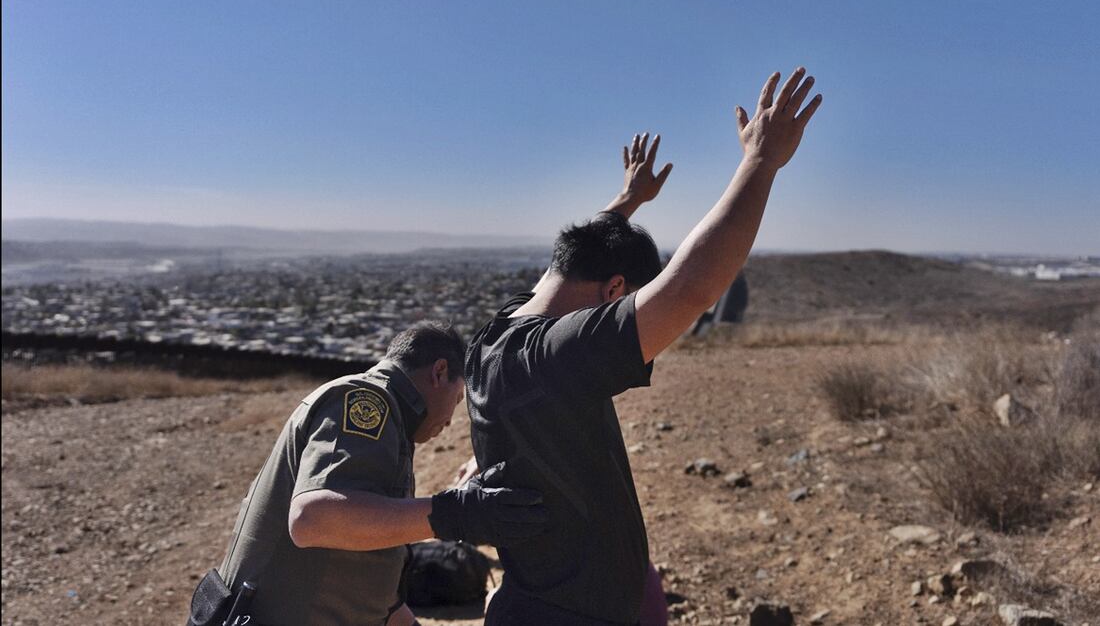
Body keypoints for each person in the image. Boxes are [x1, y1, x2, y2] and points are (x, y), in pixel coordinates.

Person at [465, 68, 822, 624]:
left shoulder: (500, 331)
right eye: (625, 301)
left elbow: (571, 261)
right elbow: (691, 287)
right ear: (613, 292)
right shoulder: (556, 357)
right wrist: (760, 162)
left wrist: (625, 202)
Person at [205, 321, 548, 626]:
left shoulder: (394, 425)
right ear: (439, 372)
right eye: (458, 400)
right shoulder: (367, 401)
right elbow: (313, 518)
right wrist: (457, 512)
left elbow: (365, 573)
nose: (450, 420)